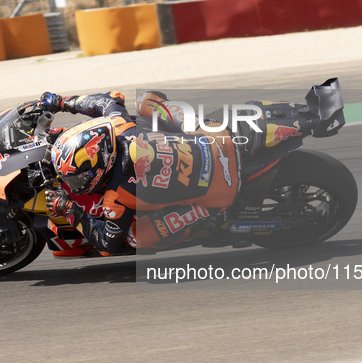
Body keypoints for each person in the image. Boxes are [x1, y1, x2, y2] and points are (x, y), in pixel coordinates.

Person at [40, 90, 241, 255]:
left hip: (221, 191)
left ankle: (209, 214)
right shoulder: (121, 128)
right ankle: (201, 121)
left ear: (101, 167)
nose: (74, 183)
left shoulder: (116, 197)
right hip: (218, 136)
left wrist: (69, 209)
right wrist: (63, 102)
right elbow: (110, 99)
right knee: (145, 100)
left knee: (134, 238)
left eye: (77, 178)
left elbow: (108, 245)